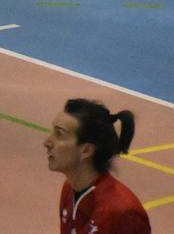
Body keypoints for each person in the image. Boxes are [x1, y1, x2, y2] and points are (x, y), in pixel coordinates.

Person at [45, 98, 151, 234]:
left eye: (59, 134)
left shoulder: (123, 212)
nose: (47, 142)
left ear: (86, 150)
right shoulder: (70, 189)